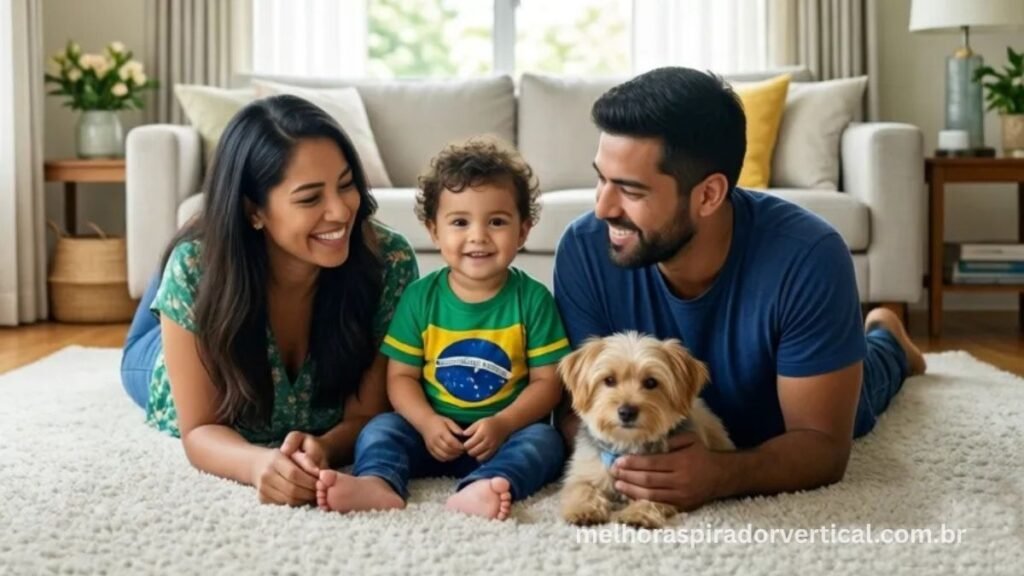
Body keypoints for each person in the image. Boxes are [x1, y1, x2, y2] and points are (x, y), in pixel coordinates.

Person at [553, 67, 927, 512]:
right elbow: (579, 409)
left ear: (709, 195)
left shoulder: (810, 257)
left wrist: (720, 474)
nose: (602, 207)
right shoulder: (583, 248)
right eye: (601, 179)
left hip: (780, 410)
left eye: (631, 191)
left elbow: (825, 449)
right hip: (671, 417)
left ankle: (888, 338)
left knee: (869, 381)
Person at [119, 95, 418, 507]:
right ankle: (198, 239)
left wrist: (326, 447)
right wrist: (258, 464)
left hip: (233, 255)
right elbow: (200, 429)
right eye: (310, 198)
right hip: (170, 335)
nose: (340, 210)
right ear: (254, 210)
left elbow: (366, 416)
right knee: (190, 261)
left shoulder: (388, 259)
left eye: (346, 185)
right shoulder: (196, 269)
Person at [315, 138, 569, 521]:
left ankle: (488, 484)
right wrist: (426, 422)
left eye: (497, 222)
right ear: (434, 231)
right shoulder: (421, 298)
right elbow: (400, 376)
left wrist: (503, 423)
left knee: (546, 441)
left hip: (503, 435)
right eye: (460, 222)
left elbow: (547, 383)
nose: (478, 236)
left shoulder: (533, 300)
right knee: (381, 428)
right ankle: (379, 482)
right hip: (429, 433)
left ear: (523, 231)